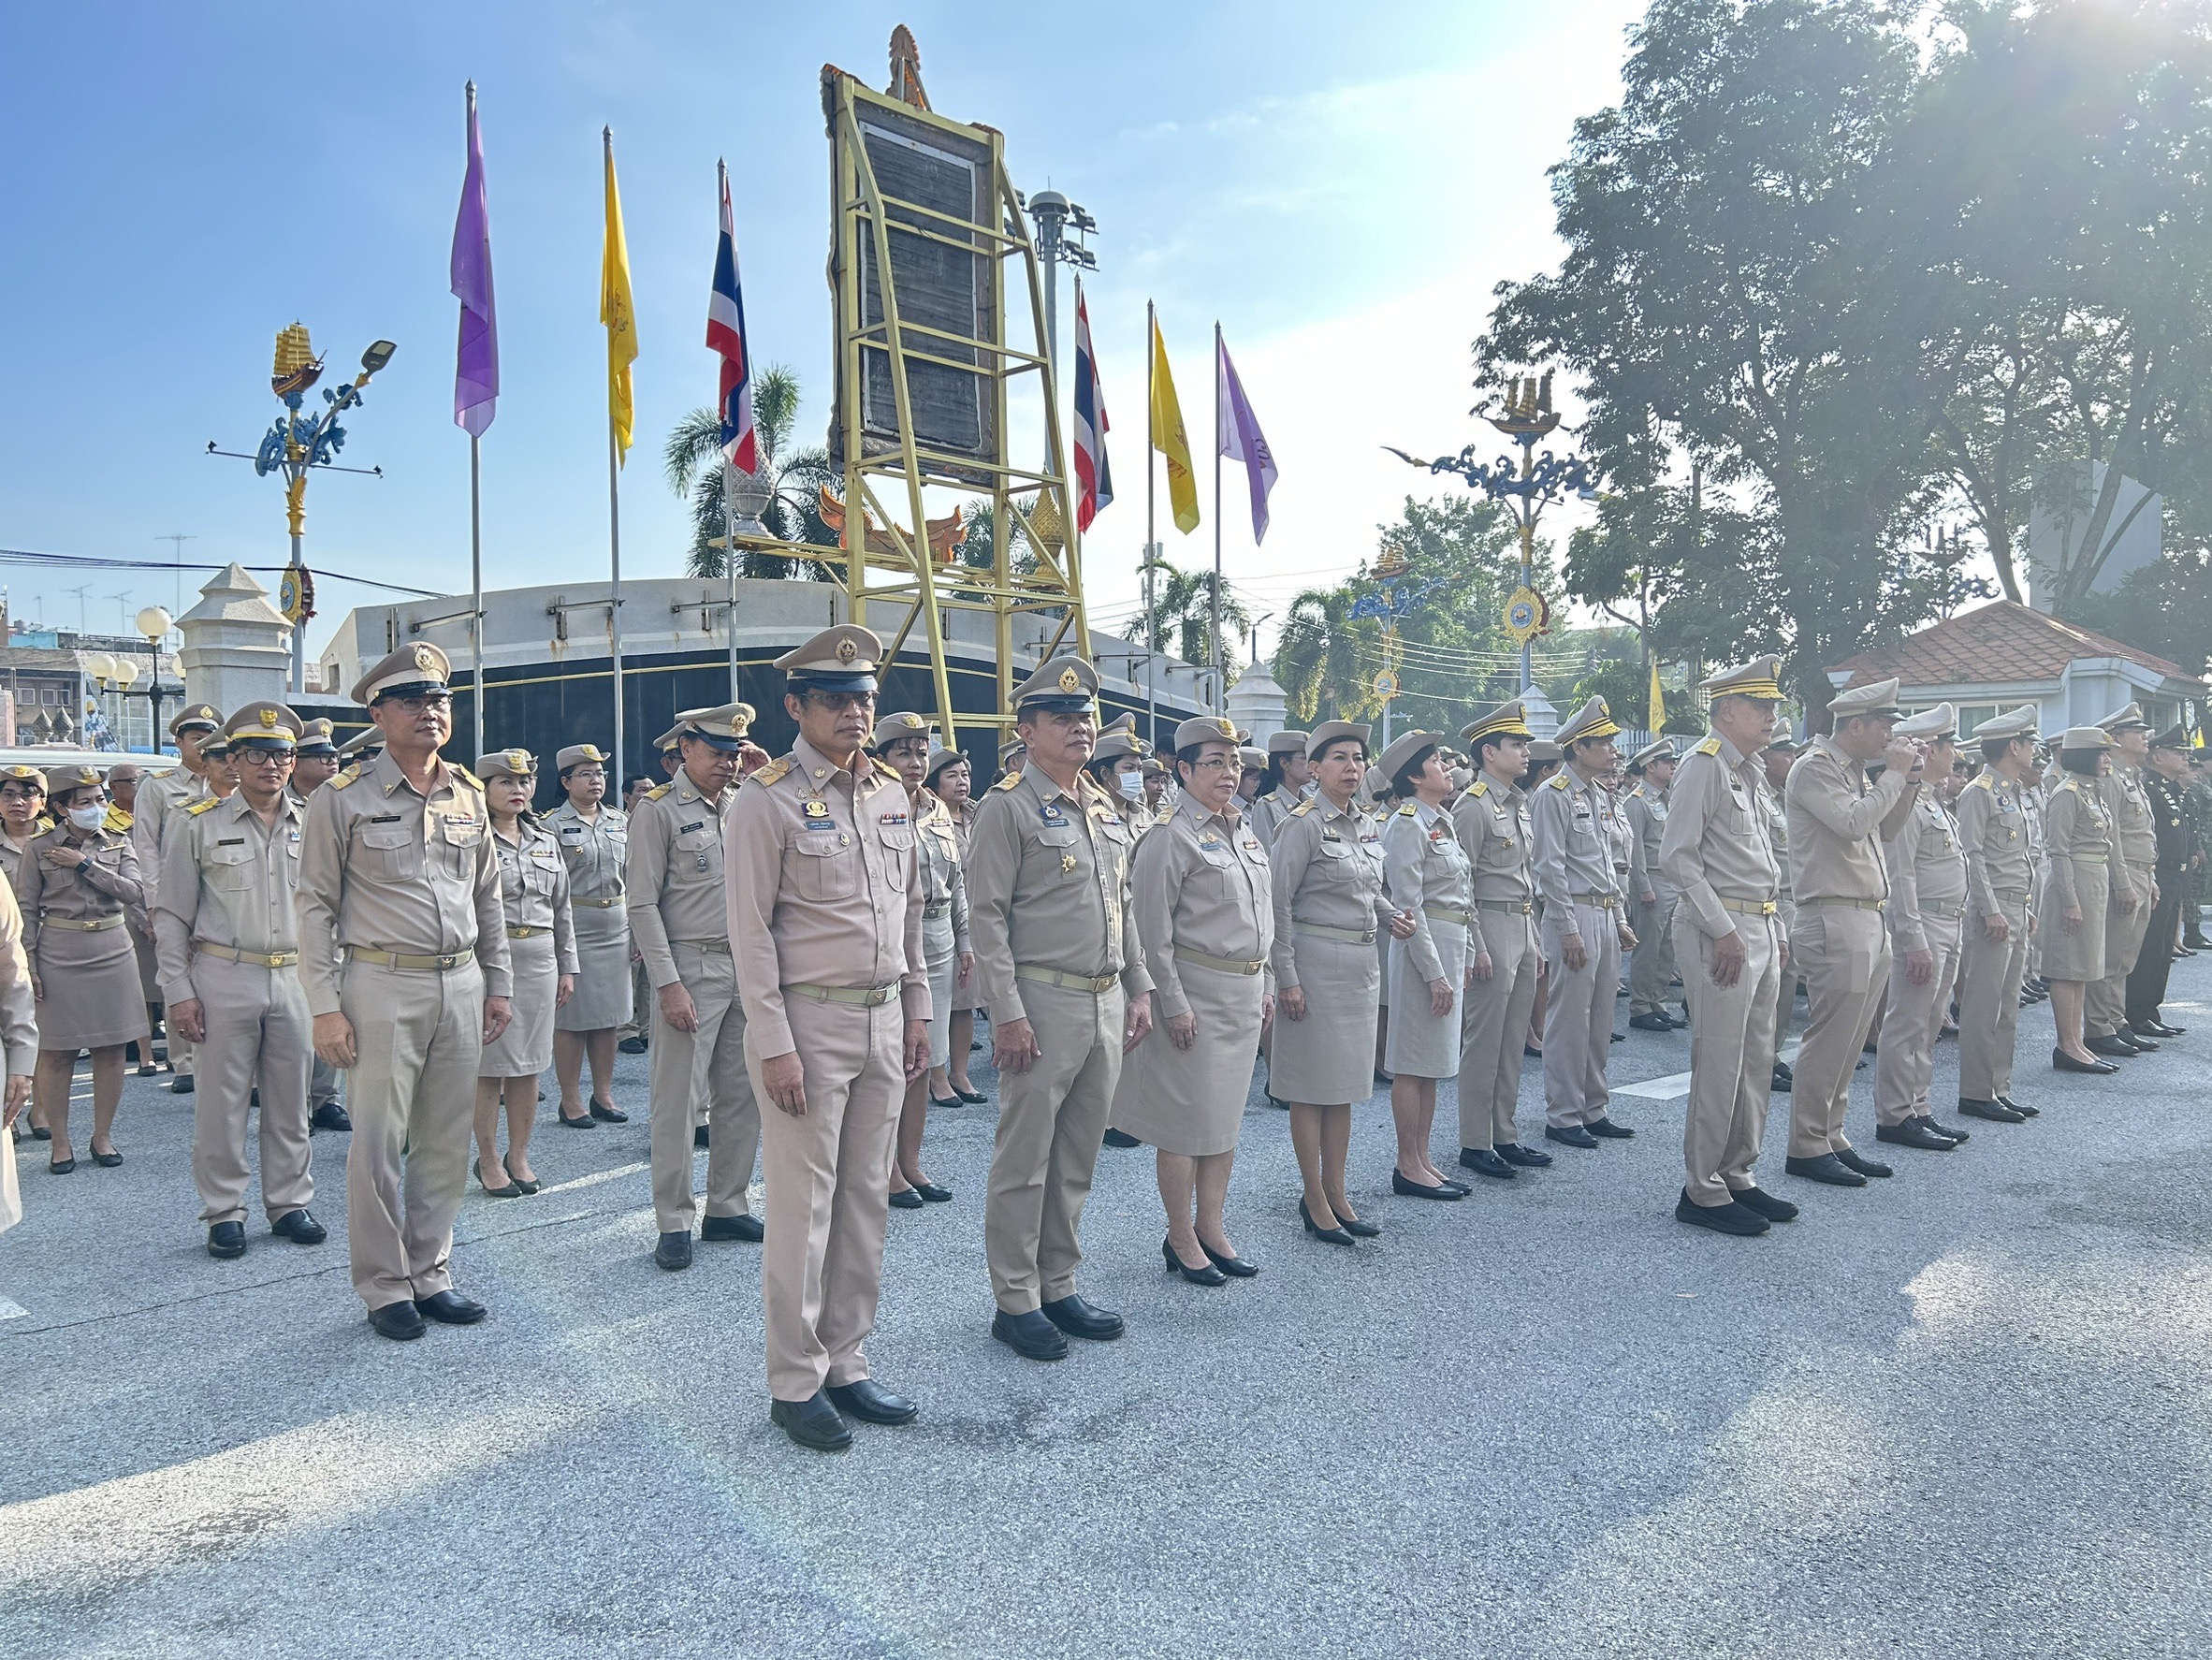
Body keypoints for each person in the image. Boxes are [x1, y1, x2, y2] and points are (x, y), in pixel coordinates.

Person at [725, 624, 929, 1451]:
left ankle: (848, 1359)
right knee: (803, 1210)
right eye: (836, 699)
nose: (854, 712)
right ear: (796, 706)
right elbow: (750, 932)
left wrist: (917, 1005)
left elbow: (908, 911)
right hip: (806, 1022)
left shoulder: (890, 794)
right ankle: (795, 1379)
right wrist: (773, 1042)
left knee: (864, 1202)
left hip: (884, 1018)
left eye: (864, 699)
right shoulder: (765, 800)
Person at [297, 643, 514, 1341]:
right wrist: (326, 1006)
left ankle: (431, 1271)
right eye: (414, 701)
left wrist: (499, 985)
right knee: (379, 1144)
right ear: (378, 712)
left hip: (461, 981)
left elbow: (488, 898)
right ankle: (385, 1284)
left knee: (447, 1140)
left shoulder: (468, 795)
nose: (431, 711)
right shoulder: (344, 798)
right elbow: (314, 908)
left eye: (441, 700)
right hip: (381, 981)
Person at [967, 655, 1155, 1361]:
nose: (1081, 728)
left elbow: (1123, 906)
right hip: (1043, 1001)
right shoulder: (1006, 808)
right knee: (1026, 1157)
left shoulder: (1102, 806)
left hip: (1104, 998)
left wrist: (1140, 986)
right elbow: (985, 920)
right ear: (1027, 730)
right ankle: (1014, 1300)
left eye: (1086, 717)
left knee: (1076, 1153)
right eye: (1063, 719)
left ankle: (1059, 1282)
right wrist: (1006, 1013)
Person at [153, 704, 325, 1257]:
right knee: (221, 1105)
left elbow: (331, 909)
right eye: (256, 753)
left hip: (295, 977)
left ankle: (289, 1202)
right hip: (224, 973)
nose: (271, 765)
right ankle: (224, 1211)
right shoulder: (197, 823)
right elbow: (172, 914)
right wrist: (178, 991)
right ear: (233, 759)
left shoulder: (315, 823)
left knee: (291, 1100)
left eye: (282, 754)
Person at [1113, 715, 1274, 1282]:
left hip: (1243, 991)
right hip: (1196, 994)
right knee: (1186, 1124)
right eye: (1214, 763)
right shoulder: (1168, 836)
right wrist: (1173, 1003)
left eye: (1234, 763)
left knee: (1224, 1121)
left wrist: (1268, 983)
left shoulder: (1245, 830)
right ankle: (1179, 1235)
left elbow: (1263, 917)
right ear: (1183, 770)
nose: (1229, 773)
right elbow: (1150, 933)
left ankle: (1213, 1225)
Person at [1654, 658, 1797, 1234]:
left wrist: (1775, 929)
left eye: (1772, 705)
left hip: (1757, 926)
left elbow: (1763, 860)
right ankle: (1703, 1187)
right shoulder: (1704, 766)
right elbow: (1678, 857)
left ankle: (1739, 1172)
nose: (1771, 715)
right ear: (1727, 710)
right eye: (1760, 706)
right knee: (1719, 1061)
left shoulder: (1749, 771)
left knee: (1757, 1061)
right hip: (1722, 931)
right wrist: (1723, 929)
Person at [629, 705, 764, 1270]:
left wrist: (762, 770)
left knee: (743, 1095)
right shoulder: (658, 812)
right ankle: (674, 1219)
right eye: (717, 752)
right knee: (678, 1101)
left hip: (746, 969)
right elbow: (641, 903)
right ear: (685, 748)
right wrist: (667, 983)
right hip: (691, 966)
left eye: (735, 753)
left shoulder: (747, 800)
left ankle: (727, 1206)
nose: (727, 763)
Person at [1782, 677, 1920, 1187]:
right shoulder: (1815, 768)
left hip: (1866, 913)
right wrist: (1895, 776)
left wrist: (1908, 782)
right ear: (1854, 725)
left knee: (1852, 1037)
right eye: (1883, 724)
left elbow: (1886, 827)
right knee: (1828, 1037)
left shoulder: (1858, 772)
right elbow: (1853, 824)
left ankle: (1831, 1134)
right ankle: (1806, 1142)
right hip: (1833, 914)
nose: (1889, 734)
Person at [1271, 721, 1400, 1242]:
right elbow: (1277, 903)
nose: (1352, 767)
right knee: (1310, 1090)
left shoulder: (1366, 823)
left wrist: (1393, 916)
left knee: (1343, 1090)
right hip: (1315, 965)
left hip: (1361, 966)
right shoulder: (1301, 825)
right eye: (1339, 758)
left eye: (1358, 758)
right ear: (1315, 768)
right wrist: (1287, 977)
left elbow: (1369, 889)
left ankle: (1337, 1191)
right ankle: (1313, 1198)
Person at [19, 764, 149, 1174]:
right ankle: (60, 1140)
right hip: (60, 952)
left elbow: (133, 892)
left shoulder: (118, 841)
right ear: (61, 808)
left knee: (111, 1049)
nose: (97, 807)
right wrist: (31, 965)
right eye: (86, 802)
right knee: (57, 1053)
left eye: (101, 799)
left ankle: (102, 1135)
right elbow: (26, 911)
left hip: (113, 949)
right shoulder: (38, 849)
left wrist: (83, 864)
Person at [869, 712, 969, 1207]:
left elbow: (958, 884)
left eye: (920, 752)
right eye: (902, 753)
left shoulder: (937, 812)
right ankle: (884, 1168)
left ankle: (910, 1163)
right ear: (880, 758)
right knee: (891, 1065)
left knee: (923, 1059)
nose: (914, 763)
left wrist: (966, 940)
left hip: (938, 939)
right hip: (889, 942)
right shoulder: (869, 807)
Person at [1532, 698, 1639, 1150]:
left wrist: (1618, 917)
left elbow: (1607, 866)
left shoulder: (1598, 795)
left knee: (1599, 1018)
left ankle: (1594, 1106)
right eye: (1605, 743)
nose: (1614, 750)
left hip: (1602, 911)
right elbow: (1549, 866)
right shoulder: (1552, 794)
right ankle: (1562, 1113)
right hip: (1571, 913)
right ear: (1579, 748)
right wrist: (1567, 928)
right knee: (1568, 1019)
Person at [471, 750, 577, 1198]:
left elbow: (562, 908)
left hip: (540, 961)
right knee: (488, 1068)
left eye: (524, 782)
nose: (518, 791)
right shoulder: (473, 839)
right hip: (490, 958)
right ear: (485, 790)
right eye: (506, 783)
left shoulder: (545, 839)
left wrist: (568, 965)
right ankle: (489, 1158)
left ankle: (519, 1154)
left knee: (529, 1066)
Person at [1451, 702, 1550, 1182]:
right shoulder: (1471, 806)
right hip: (1489, 925)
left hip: (1523, 925)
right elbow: (1460, 882)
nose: (1526, 751)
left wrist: (1536, 939)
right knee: (1484, 1040)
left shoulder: (1517, 803)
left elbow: (1527, 876)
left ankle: (1503, 1134)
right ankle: (1475, 1140)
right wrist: (1476, 945)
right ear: (1489, 753)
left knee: (1513, 1040)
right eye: (1517, 744)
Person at [1870, 706, 1975, 1153]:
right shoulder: (1909, 801)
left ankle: (1919, 1107)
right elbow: (1902, 875)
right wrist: (1913, 938)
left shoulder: (1934, 799)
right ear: (1930, 750)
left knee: (1930, 1022)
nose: (1957, 754)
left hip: (1948, 920)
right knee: (1907, 1022)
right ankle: (1895, 1115)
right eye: (1951, 745)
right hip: (1925, 922)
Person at [1377, 729, 1472, 1198]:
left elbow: (1460, 898)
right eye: (1436, 762)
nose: (1447, 767)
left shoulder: (1440, 821)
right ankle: (1406, 1163)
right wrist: (1434, 973)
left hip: (1450, 943)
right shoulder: (1406, 825)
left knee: (1432, 1063)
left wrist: (1469, 954)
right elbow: (1409, 905)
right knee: (1412, 1064)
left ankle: (1423, 1157)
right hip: (1422, 950)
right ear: (1415, 776)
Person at [1953, 705, 2040, 1123]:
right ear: (2013, 746)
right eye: (2029, 743)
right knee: (1983, 1005)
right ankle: (1975, 1091)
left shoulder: (2013, 791)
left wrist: (2027, 908)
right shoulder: (1980, 791)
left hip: (2015, 906)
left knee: (2008, 1005)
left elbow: (2020, 856)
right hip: (1994, 908)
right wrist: (1989, 910)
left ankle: (1998, 1088)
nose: (2034, 752)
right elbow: (1974, 856)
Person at [132, 703, 224, 1097]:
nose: (204, 744)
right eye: (196, 737)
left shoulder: (228, 780)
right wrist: (154, 901)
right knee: (177, 969)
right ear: (179, 742)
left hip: (220, 889)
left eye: (210, 737)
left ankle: (219, 1053)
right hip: (175, 891)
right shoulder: (159, 785)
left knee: (218, 969)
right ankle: (183, 1061)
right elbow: (146, 846)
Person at [544, 742, 632, 1129]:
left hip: (615, 923)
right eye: (586, 774)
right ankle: (570, 1099)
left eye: (600, 774)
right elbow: (547, 887)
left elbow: (633, 878)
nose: (596, 781)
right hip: (575, 925)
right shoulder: (550, 826)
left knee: (609, 1018)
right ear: (565, 782)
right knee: (572, 1020)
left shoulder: (619, 821)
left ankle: (603, 1094)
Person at [285, 719, 352, 1133]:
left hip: (339, 929)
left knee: (336, 1013)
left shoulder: (345, 801)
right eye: (321, 756)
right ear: (297, 763)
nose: (332, 762)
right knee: (297, 1027)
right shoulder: (280, 805)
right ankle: (295, 1107)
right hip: (290, 931)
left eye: (334, 755)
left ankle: (325, 1099)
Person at [2042, 727, 2119, 1073]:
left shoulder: (2093, 791)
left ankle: (2077, 1041)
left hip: (2094, 881)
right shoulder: (2067, 793)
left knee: (2083, 968)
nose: (2107, 759)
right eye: (2102, 753)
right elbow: (2058, 850)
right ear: (2085, 756)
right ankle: (2067, 1044)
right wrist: (2070, 900)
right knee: (2067, 966)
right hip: (2074, 884)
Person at [2086, 704, 2159, 1057]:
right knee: (2111, 955)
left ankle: (2116, 1021)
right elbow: (2110, 835)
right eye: (2137, 731)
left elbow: (2142, 832)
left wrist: (2151, 878)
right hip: (2125, 872)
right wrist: (2123, 882)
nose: (2146, 737)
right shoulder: (2112, 779)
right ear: (2116, 739)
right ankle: (2100, 1027)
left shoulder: (2130, 777)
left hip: (2141, 872)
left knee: (2125, 957)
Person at [925, 744, 987, 1104]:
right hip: (938, 917)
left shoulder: (978, 813)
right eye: (952, 775)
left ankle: (959, 1072)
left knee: (966, 999)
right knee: (936, 1002)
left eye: (965, 774)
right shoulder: (929, 818)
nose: (962, 782)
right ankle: (936, 1076)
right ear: (936, 783)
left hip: (973, 917)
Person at [2127, 725, 2194, 1039]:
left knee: (2164, 946)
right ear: (2158, 756)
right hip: (2158, 874)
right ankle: (2137, 1011)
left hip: (2174, 876)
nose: (2184, 758)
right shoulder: (2151, 788)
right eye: (2178, 753)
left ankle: (2150, 1008)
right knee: (2150, 946)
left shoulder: (2172, 789)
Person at [1624, 739, 1683, 1032]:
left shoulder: (1666, 799)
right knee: (1648, 946)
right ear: (1650, 766)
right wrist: (1643, 885)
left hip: (1672, 879)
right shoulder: (1636, 802)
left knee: (1667, 947)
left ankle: (1658, 1002)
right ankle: (1640, 1006)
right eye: (1667, 762)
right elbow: (1633, 850)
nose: (1673, 766)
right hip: (1653, 880)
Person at [1759, 735, 1802, 1093]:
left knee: (1787, 981)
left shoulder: (1786, 798)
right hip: (1772, 898)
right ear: (1766, 756)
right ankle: (1762, 1057)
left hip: (1792, 897)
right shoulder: (1758, 795)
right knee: (1774, 980)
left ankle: (1772, 1053)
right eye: (1785, 752)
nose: (1792, 758)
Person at [1245, 731, 1314, 852]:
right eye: (1304, 758)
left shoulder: (1311, 803)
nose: (1311, 765)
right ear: (1284, 763)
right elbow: (1267, 855)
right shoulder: (1267, 806)